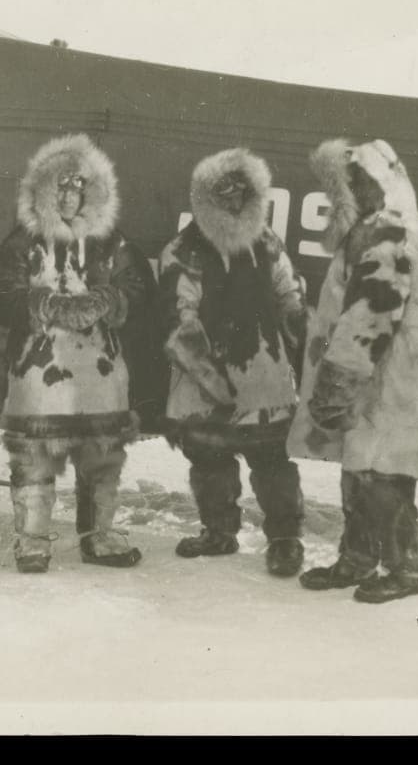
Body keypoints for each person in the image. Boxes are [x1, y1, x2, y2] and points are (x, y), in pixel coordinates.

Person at [288, 138, 418, 603]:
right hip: (378, 380)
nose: (335, 200)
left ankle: (406, 568)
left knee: (384, 474)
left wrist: (337, 382)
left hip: (388, 382)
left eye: (342, 189)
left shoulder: (387, 233)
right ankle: (358, 558)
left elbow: (372, 314)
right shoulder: (380, 229)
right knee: (361, 467)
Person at [0, 133, 155, 574]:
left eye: (77, 187)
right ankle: (32, 540)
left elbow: (141, 289)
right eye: (59, 186)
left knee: (101, 453)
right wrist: (42, 304)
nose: (68, 196)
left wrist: (109, 300)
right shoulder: (23, 240)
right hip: (40, 368)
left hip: (99, 372)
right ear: (43, 190)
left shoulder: (112, 242)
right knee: (35, 453)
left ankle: (98, 535)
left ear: (91, 192)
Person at [158, 148, 309, 578]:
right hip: (206, 379)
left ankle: (284, 539)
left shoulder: (266, 243)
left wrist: (298, 320)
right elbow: (177, 313)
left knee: (273, 460)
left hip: (263, 371)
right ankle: (219, 531)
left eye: (242, 192)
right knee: (209, 457)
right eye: (223, 193)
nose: (234, 201)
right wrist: (207, 372)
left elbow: (288, 292)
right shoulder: (184, 250)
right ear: (205, 198)